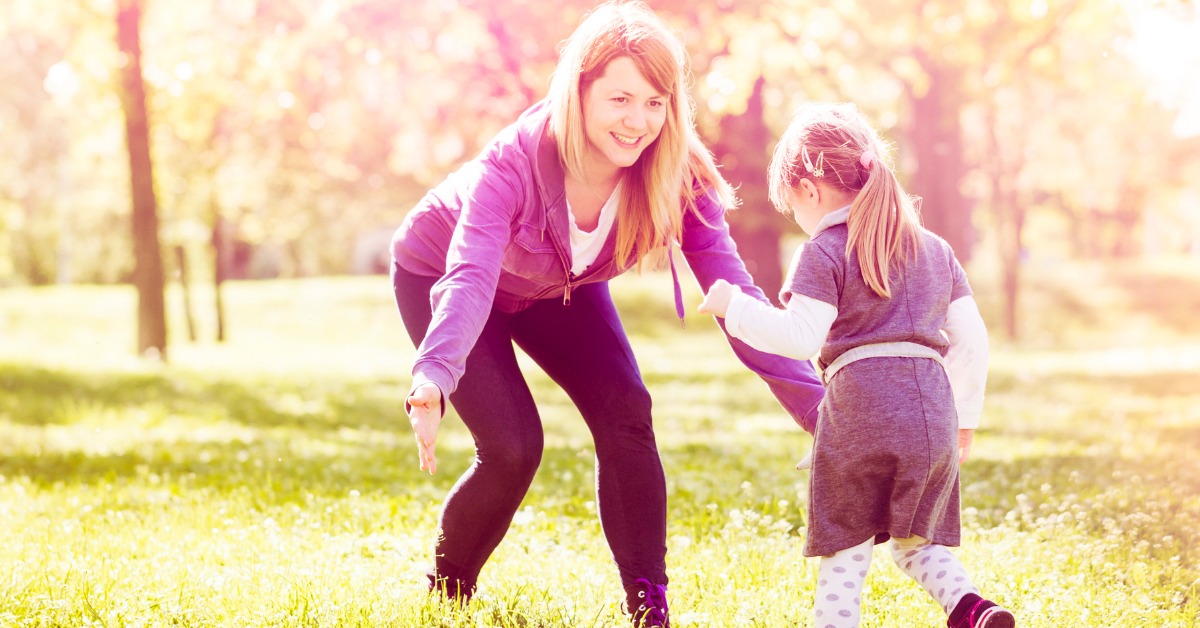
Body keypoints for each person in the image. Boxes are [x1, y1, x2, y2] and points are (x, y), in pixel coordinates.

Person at [389, 2, 825, 625]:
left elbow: (739, 302)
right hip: (444, 276)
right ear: (580, 90)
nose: (638, 121)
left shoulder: (677, 173)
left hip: (558, 285)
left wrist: (822, 411)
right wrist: (433, 375)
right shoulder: (512, 164)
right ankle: (447, 589)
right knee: (513, 447)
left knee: (627, 410)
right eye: (621, 99)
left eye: (655, 102)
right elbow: (470, 273)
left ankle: (649, 604)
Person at [697, 102, 1015, 628]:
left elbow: (799, 338)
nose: (796, 219)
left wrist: (734, 306)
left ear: (810, 189)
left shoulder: (824, 250)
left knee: (846, 550)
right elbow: (973, 341)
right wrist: (963, 421)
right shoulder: (936, 250)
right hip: (934, 417)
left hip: (860, 412)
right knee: (917, 543)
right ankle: (971, 608)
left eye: (791, 206)